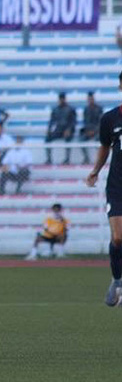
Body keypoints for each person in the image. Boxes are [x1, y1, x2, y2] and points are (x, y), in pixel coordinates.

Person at [85, 71, 122, 307]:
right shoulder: (110, 119)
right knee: (118, 238)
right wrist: (95, 171)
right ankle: (117, 280)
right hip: (117, 185)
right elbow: (104, 147)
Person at [45, 92, 77, 165]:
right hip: (58, 130)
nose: (61, 100)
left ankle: (67, 159)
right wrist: (49, 129)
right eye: (60, 99)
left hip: (68, 130)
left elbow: (74, 122)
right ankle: (49, 159)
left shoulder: (70, 109)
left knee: (68, 139)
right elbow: (52, 121)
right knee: (47, 139)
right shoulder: (55, 109)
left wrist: (69, 130)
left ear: (65, 99)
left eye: (63, 99)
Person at [79, 91, 103, 164]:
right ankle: (86, 158)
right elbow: (86, 122)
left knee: (98, 140)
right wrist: (88, 131)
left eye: (91, 98)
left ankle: (99, 159)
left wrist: (95, 131)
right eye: (89, 99)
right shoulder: (86, 109)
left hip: (97, 131)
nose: (90, 100)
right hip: (88, 131)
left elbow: (100, 121)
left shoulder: (99, 108)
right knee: (81, 140)